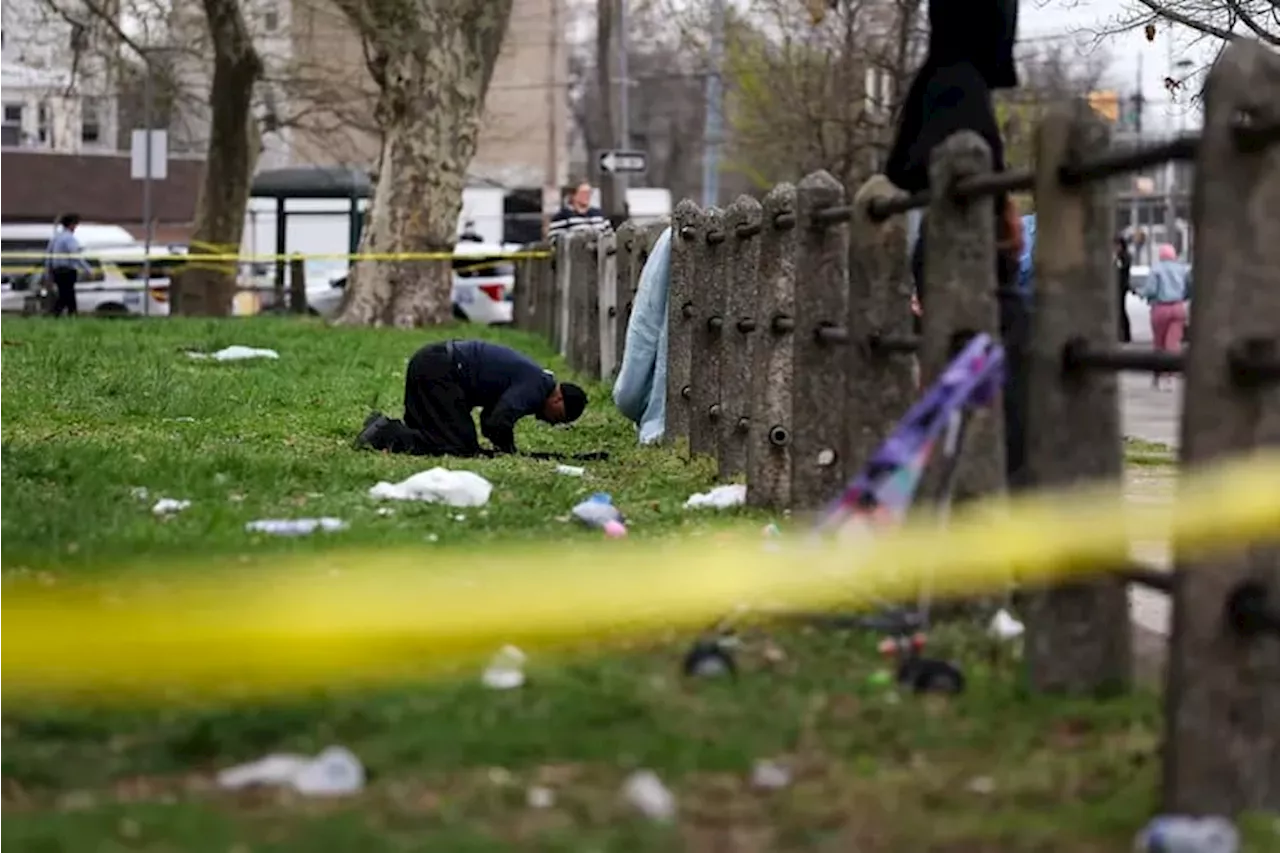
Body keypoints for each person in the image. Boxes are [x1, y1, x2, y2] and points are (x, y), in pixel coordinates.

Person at [885, 0, 1029, 488]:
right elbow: (943, 167)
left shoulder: (948, 78)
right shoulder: (957, 84)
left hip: (961, 257)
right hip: (969, 268)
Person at [354, 339, 588, 457]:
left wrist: (499, 446)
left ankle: (381, 428)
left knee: (439, 439)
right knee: (457, 447)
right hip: (441, 371)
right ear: (558, 400)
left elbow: (489, 418)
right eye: (558, 419)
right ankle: (383, 432)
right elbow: (499, 419)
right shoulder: (537, 386)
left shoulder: (535, 380)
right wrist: (509, 451)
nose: (550, 423)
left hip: (432, 362)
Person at [1139, 243, 1190, 391]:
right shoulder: (1182, 269)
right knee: (1173, 343)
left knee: (1159, 342)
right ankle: (1170, 376)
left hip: (1160, 308)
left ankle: (1158, 375)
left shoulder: (1156, 269)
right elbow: (1189, 288)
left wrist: (1142, 294)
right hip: (1178, 308)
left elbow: (1151, 289)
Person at [44, 213, 93, 317]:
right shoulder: (70, 239)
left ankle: (72, 313)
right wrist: (88, 269)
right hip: (67, 270)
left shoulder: (55, 238)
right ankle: (55, 314)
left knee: (67, 294)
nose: (76, 227)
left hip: (57, 271)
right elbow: (75, 255)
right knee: (66, 294)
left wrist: (48, 273)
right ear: (71, 225)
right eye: (75, 225)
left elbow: (48, 256)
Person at [1115, 235, 1132, 343]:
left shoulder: (1124, 257)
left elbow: (1121, 269)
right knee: (1120, 310)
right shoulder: (1121, 256)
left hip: (1121, 286)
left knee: (1121, 310)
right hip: (1121, 285)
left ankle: (1126, 334)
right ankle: (1124, 333)